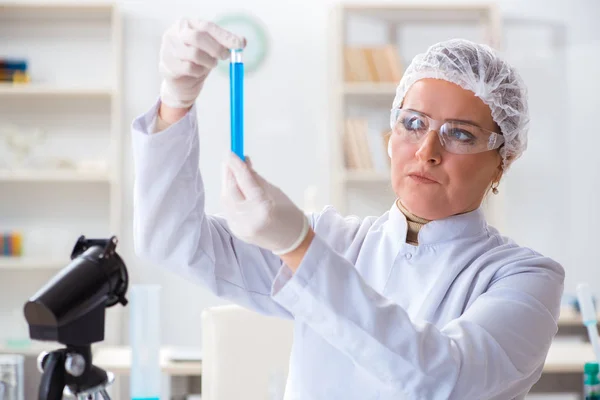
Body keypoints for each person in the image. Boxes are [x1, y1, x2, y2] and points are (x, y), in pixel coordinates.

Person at [132, 19, 565, 400]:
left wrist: (300, 248)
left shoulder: (524, 278)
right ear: (390, 135)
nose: (427, 151)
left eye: (461, 135)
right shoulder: (335, 241)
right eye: (413, 123)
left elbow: (444, 380)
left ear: (502, 162)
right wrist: (175, 102)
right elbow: (172, 241)